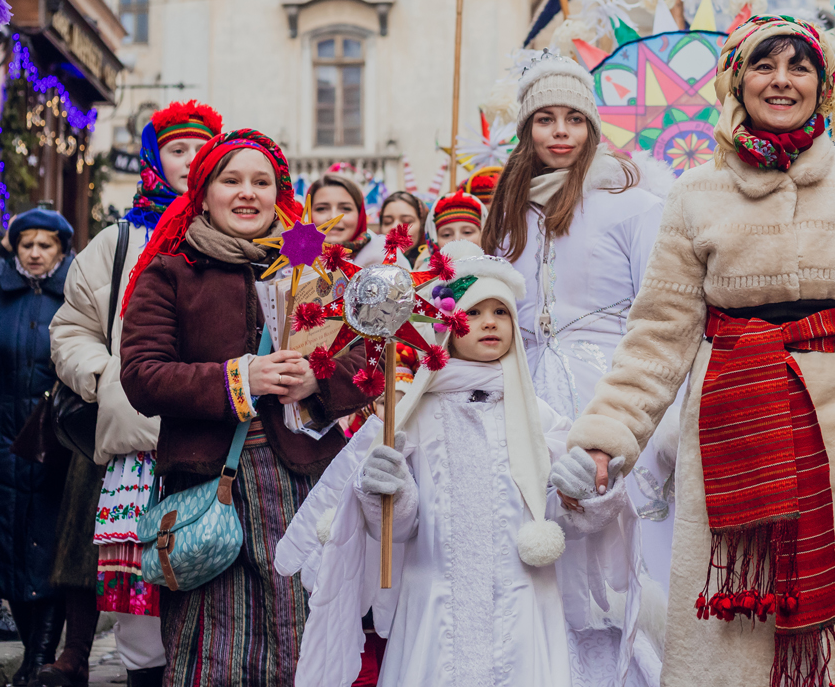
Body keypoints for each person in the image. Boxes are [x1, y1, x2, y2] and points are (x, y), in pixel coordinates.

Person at [562, 15, 835, 687]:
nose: (782, 80)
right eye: (765, 65)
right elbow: (656, 337)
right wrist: (605, 438)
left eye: (800, 67)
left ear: (823, 87)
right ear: (738, 81)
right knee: (734, 648)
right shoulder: (694, 195)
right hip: (732, 438)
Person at [280, 243, 659, 687]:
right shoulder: (412, 417)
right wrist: (388, 492)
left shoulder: (542, 417)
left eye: (501, 312)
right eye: (475, 312)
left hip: (525, 614)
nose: (490, 322)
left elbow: (561, 526)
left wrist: (582, 496)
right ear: (447, 326)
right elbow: (400, 531)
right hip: (435, 618)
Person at [119, 129, 372, 687]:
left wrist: (319, 378)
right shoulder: (171, 271)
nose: (247, 193)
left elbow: (371, 355)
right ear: (203, 192)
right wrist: (242, 376)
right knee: (216, 647)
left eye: (262, 182)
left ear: (279, 193)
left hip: (309, 483)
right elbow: (142, 375)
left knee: (309, 627)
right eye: (230, 180)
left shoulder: (317, 264)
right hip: (214, 486)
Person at [479, 53, 672, 586]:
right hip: (524, 392)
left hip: (611, 389)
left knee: (615, 546)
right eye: (545, 119)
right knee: (533, 539)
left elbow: (660, 312)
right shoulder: (507, 214)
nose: (560, 133)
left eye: (574, 119)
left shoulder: (633, 205)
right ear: (526, 130)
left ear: (592, 126)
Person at [48, 100, 221, 687]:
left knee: (217, 576)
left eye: (203, 150)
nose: (191, 160)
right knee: (139, 597)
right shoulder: (118, 243)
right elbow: (71, 330)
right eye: (178, 149)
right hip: (139, 446)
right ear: (154, 158)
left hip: (225, 441)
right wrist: (109, 381)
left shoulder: (254, 235)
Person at [0, 206, 76, 686]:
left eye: (44, 245)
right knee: (5, 554)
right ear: (14, 247)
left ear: (61, 250)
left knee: (46, 556)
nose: (34, 253)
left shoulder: (76, 297)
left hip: (54, 446)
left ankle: (39, 661)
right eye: (26, 244)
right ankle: (33, 657)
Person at [309, 171, 386, 267]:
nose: (333, 217)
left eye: (345, 209)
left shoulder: (387, 258)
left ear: (360, 214)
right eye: (322, 209)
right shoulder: (289, 265)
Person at [377, 191, 428, 267]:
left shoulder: (435, 268)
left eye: (406, 222)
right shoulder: (369, 263)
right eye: (387, 222)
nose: (394, 227)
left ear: (422, 225)